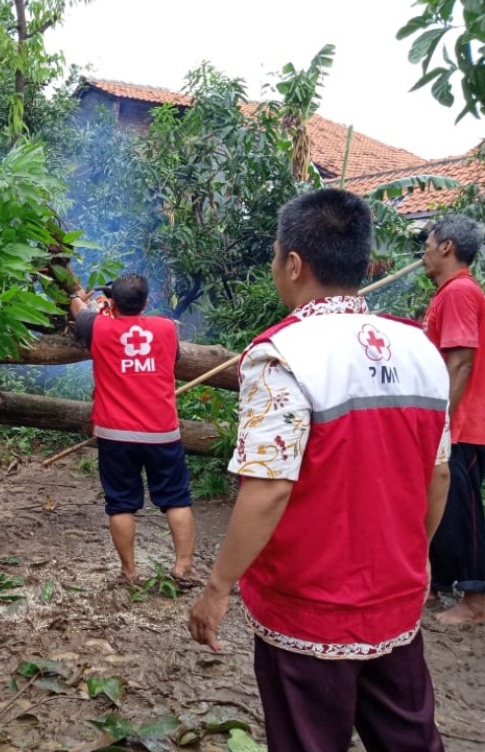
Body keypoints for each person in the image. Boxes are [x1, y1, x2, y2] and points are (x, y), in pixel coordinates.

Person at [188, 188, 450, 752]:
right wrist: (413, 558)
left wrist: (217, 586)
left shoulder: (281, 355)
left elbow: (270, 489)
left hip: (308, 608)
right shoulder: (421, 348)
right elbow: (440, 475)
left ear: (293, 264)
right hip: (395, 599)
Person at [70, 273, 197, 586]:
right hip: (162, 432)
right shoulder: (167, 328)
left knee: (121, 503)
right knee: (176, 500)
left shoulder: (98, 326)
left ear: (112, 303)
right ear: (146, 302)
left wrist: (77, 293)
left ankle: (129, 574)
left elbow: (77, 308)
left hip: (116, 435)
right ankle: (182, 570)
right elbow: (172, 360)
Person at [422, 214, 485, 624]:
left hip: (465, 422)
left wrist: (441, 422)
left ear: (446, 247)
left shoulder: (460, 292)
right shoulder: (450, 293)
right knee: (439, 506)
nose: (423, 252)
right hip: (457, 421)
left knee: (464, 511)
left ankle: (477, 602)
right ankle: (435, 584)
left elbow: (461, 361)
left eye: (427, 243)